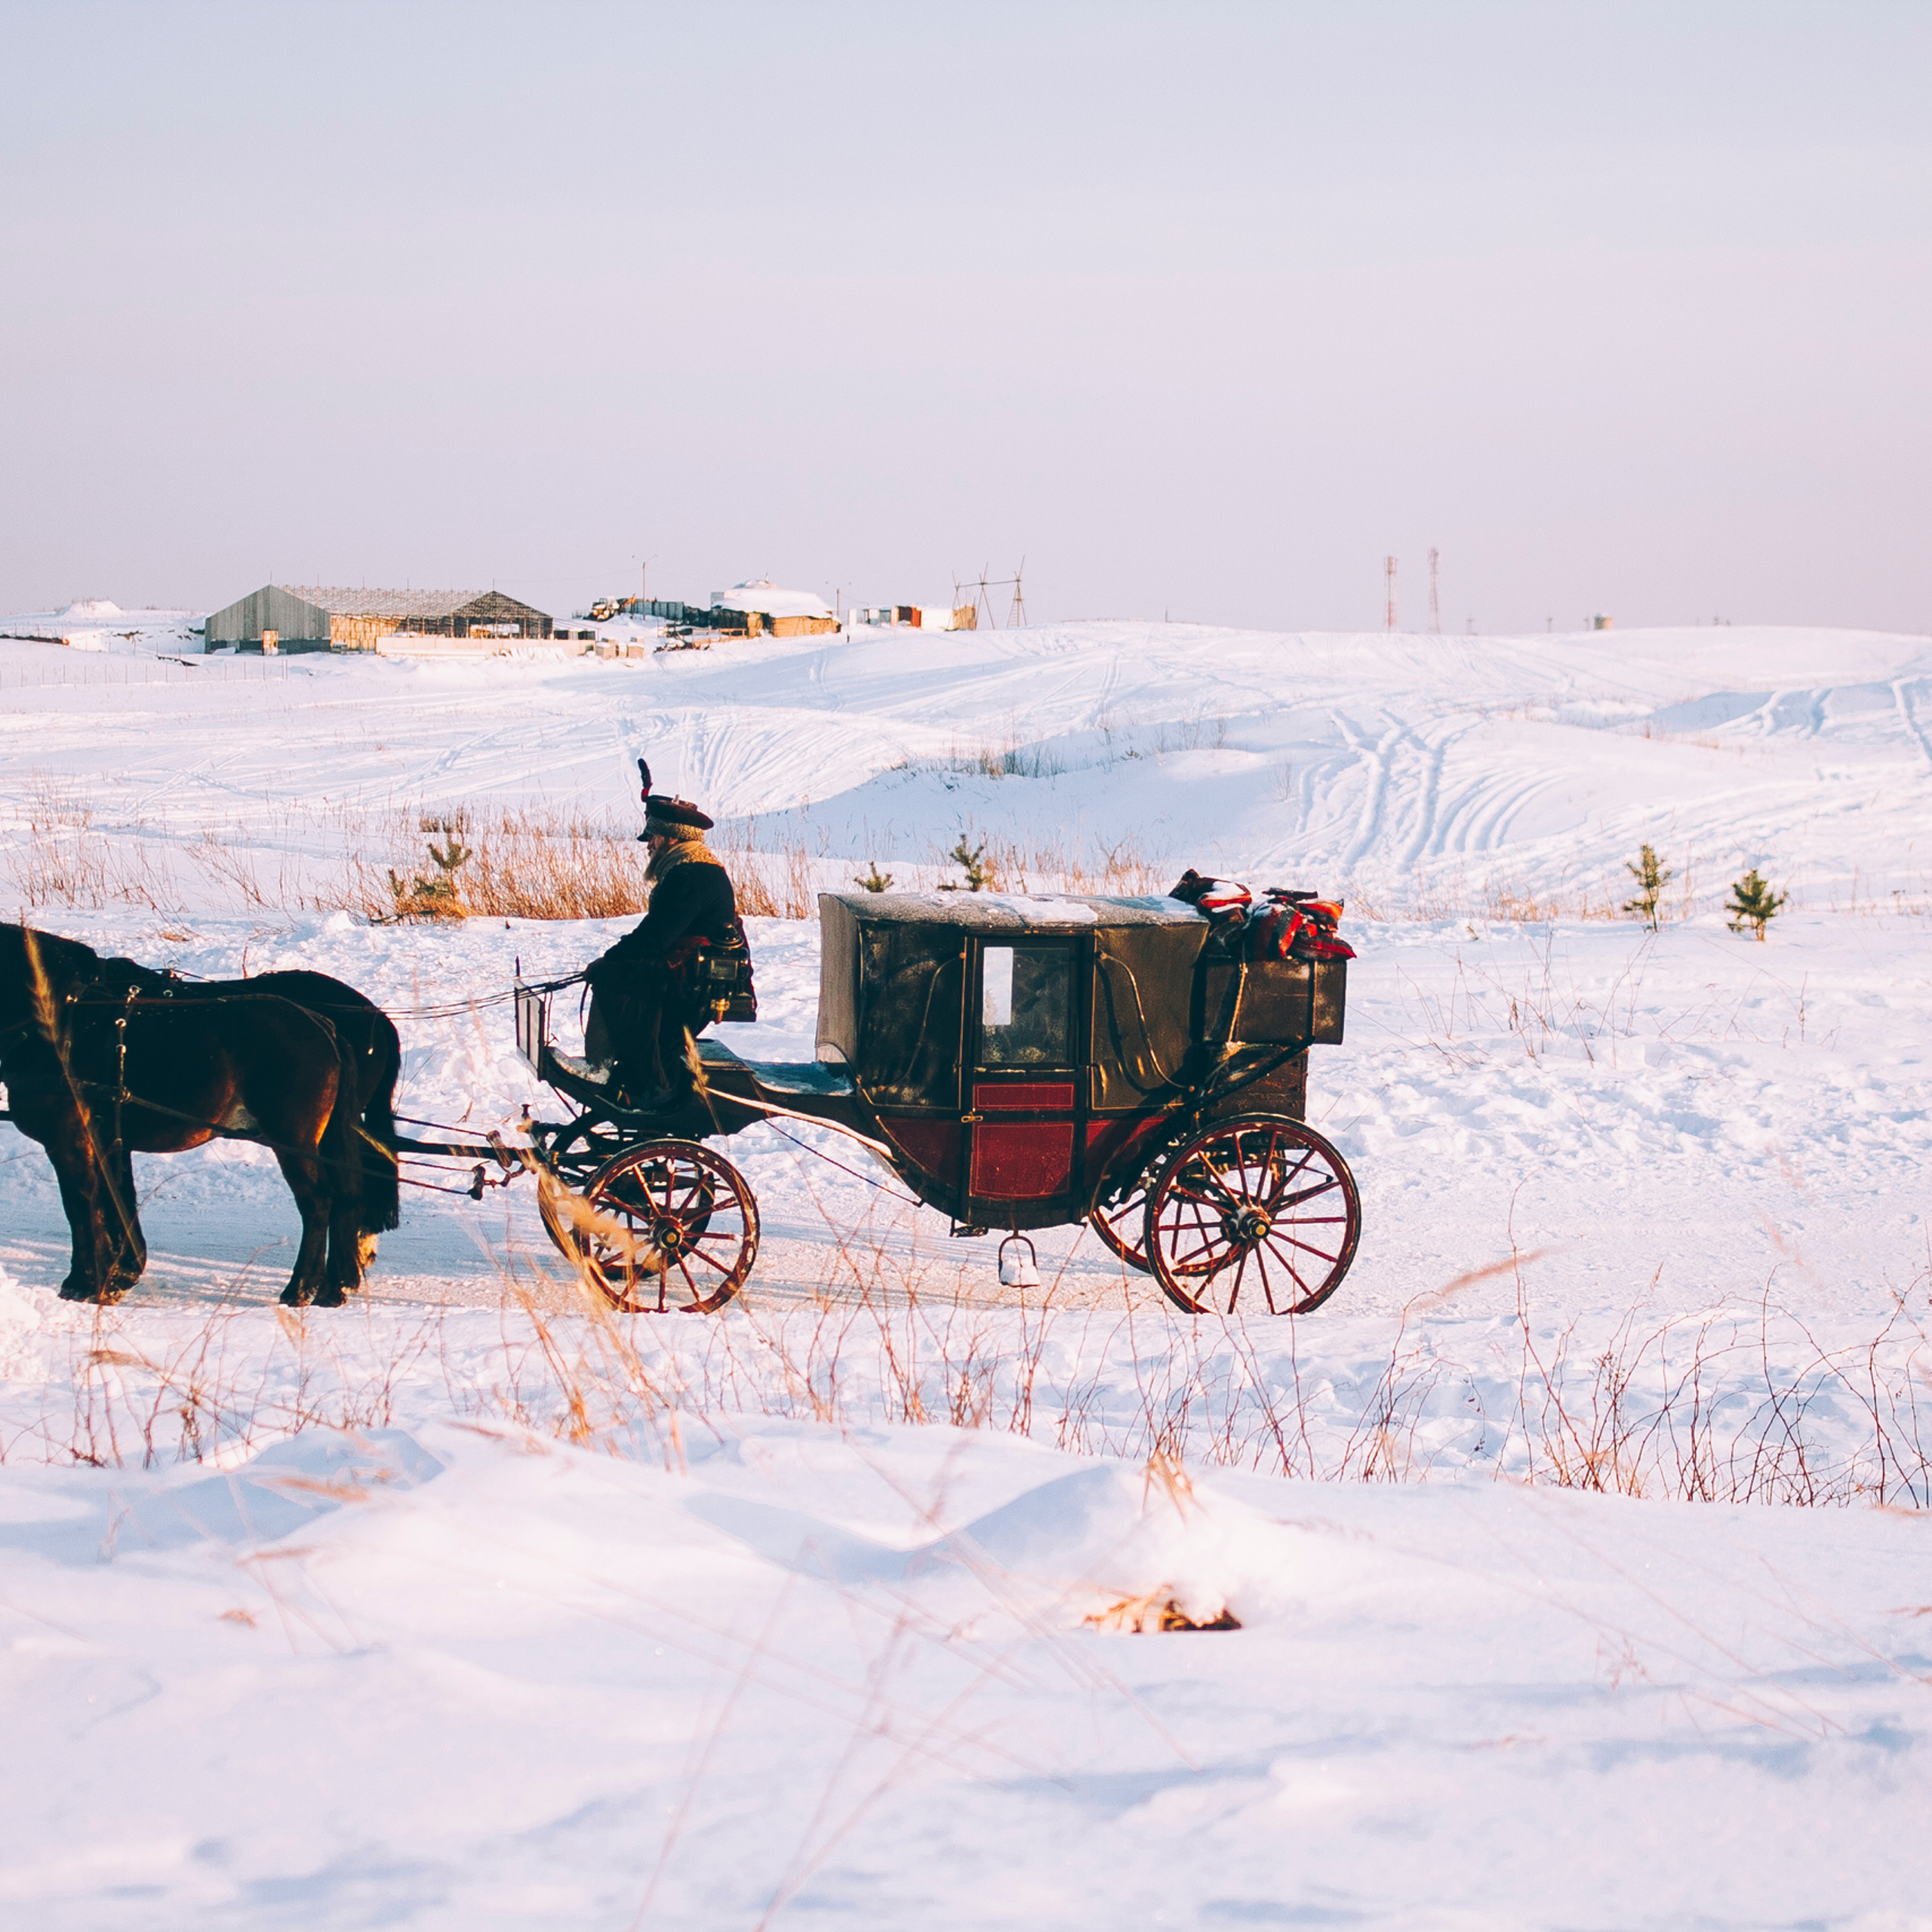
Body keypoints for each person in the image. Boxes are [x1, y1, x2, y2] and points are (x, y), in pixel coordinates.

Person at [584, 791, 747, 1109]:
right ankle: (633, 1071)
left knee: (612, 979)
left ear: (671, 838)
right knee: (617, 973)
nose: (649, 845)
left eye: (653, 837)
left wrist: (607, 961)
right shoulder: (692, 868)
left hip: (694, 981)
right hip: (691, 972)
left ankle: (645, 1079)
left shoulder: (690, 874)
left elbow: (655, 937)